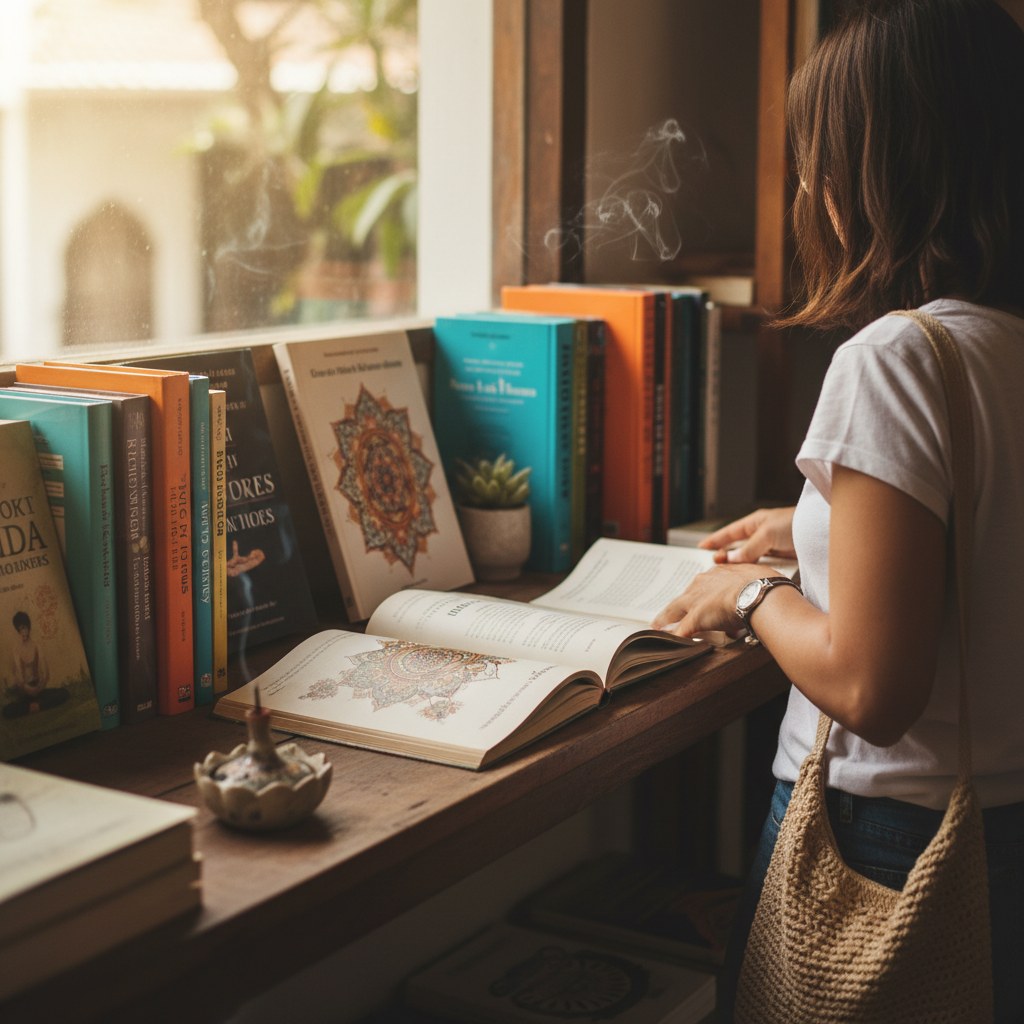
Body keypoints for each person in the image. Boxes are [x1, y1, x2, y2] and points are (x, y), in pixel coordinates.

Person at [650, 1, 1024, 1020]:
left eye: (821, 154)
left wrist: (752, 592)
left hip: (888, 838)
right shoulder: (1001, 344)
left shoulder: (897, 359)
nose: (809, 186)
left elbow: (869, 684)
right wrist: (810, 520)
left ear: (883, 170)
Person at [3, 610, 68, 718]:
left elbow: (45, 673)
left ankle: (37, 706)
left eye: (24, 628)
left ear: (28, 627)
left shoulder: (36, 645)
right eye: (19, 630)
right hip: (25, 692)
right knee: (7, 711)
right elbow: (19, 678)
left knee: (64, 693)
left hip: (38, 688)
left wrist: (39, 687)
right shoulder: (16, 650)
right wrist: (29, 689)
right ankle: (34, 706)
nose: (22, 632)